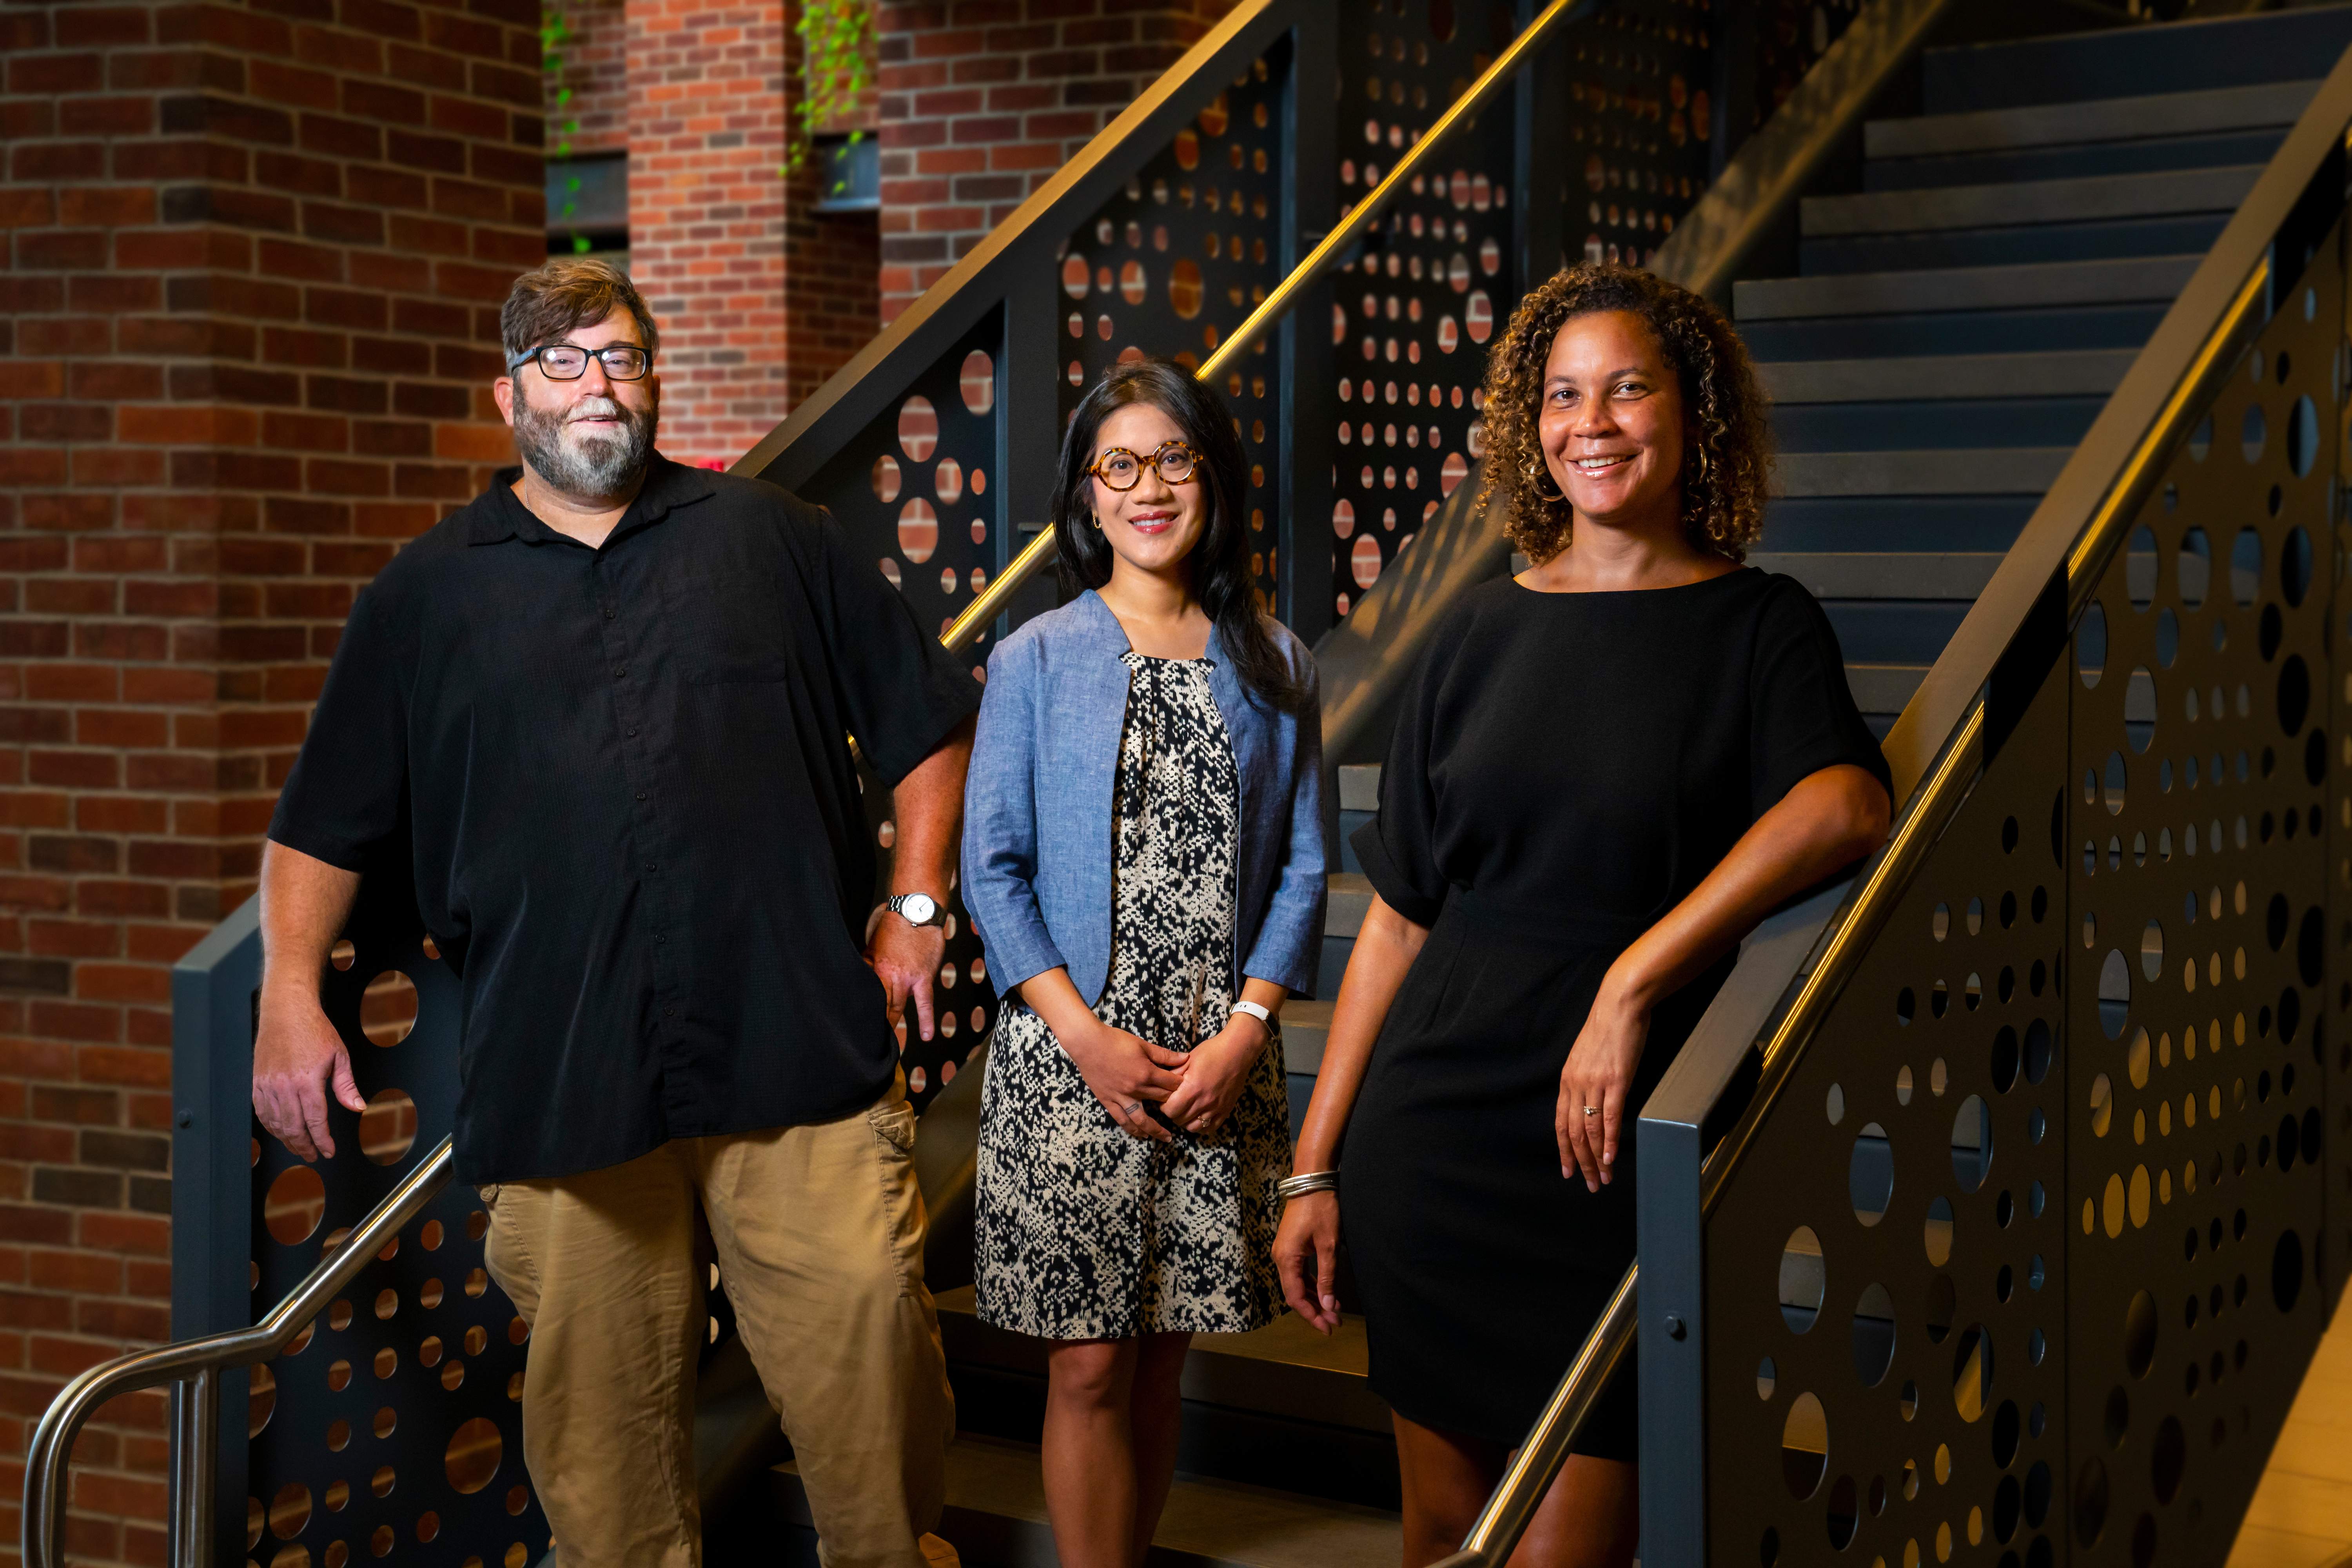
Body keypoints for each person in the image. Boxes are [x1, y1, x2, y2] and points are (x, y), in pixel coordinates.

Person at [251, 258, 973, 1568]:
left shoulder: (773, 537)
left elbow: (924, 723)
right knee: (604, 1470)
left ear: (654, 378)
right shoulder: (424, 599)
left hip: (795, 1048)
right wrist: (287, 994)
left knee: (875, 1372)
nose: (601, 386)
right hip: (562, 1072)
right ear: (511, 394)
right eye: (567, 362)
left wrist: (917, 901)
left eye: (624, 358)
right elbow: (320, 823)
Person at [1273, 263, 1895, 1568]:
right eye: (1563, 396)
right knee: (1443, 1532)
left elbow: (1845, 804)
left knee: (1574, 1552)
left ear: (1693, 410)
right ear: (1529, 427)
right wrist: (1316, 1161)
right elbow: (1399, 916)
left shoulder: (1758, 624)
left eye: (1627, 388)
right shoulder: (1478, 629)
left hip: (1610, 1147)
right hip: (1435, 1136)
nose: (1591, 422)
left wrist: (1631, 984)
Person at [960, 359, 1326, 1568]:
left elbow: (1305, 872)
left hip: (1215, 1065)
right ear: (1086, 497)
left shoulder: (1275, 659)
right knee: (1089, 1362)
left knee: (1167, 1350)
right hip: (1074, 1062)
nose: (1149, 487)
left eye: (1174, 459)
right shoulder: (1036, 658)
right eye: (1119, 465)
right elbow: (991, 872)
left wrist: (1248, 1029)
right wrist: (1086, 1038)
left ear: (1213, 480)